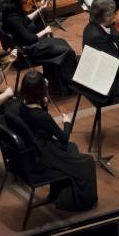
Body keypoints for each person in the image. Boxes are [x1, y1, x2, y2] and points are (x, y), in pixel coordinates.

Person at [16, 71, 97, 211]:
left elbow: (43, 128)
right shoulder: (41, 116)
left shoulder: (21, 105)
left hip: (34, 150)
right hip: (45, 155)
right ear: (41, 91)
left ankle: (61, 194)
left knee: (72, 147)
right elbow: (64, 138)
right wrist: (67, 123)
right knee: (88, 161)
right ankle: (82, 202)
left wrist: (44, 104)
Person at [0, 0, 77, 94]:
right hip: (27, 51)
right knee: (67, 51)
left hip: (26, 45)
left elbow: (25, 21)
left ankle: (57, 82)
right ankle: (69, 84)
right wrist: (45, 31)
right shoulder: (12, 17)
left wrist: (40, 9)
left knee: (61, 42)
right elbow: (29, 38)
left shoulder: (11, 10)